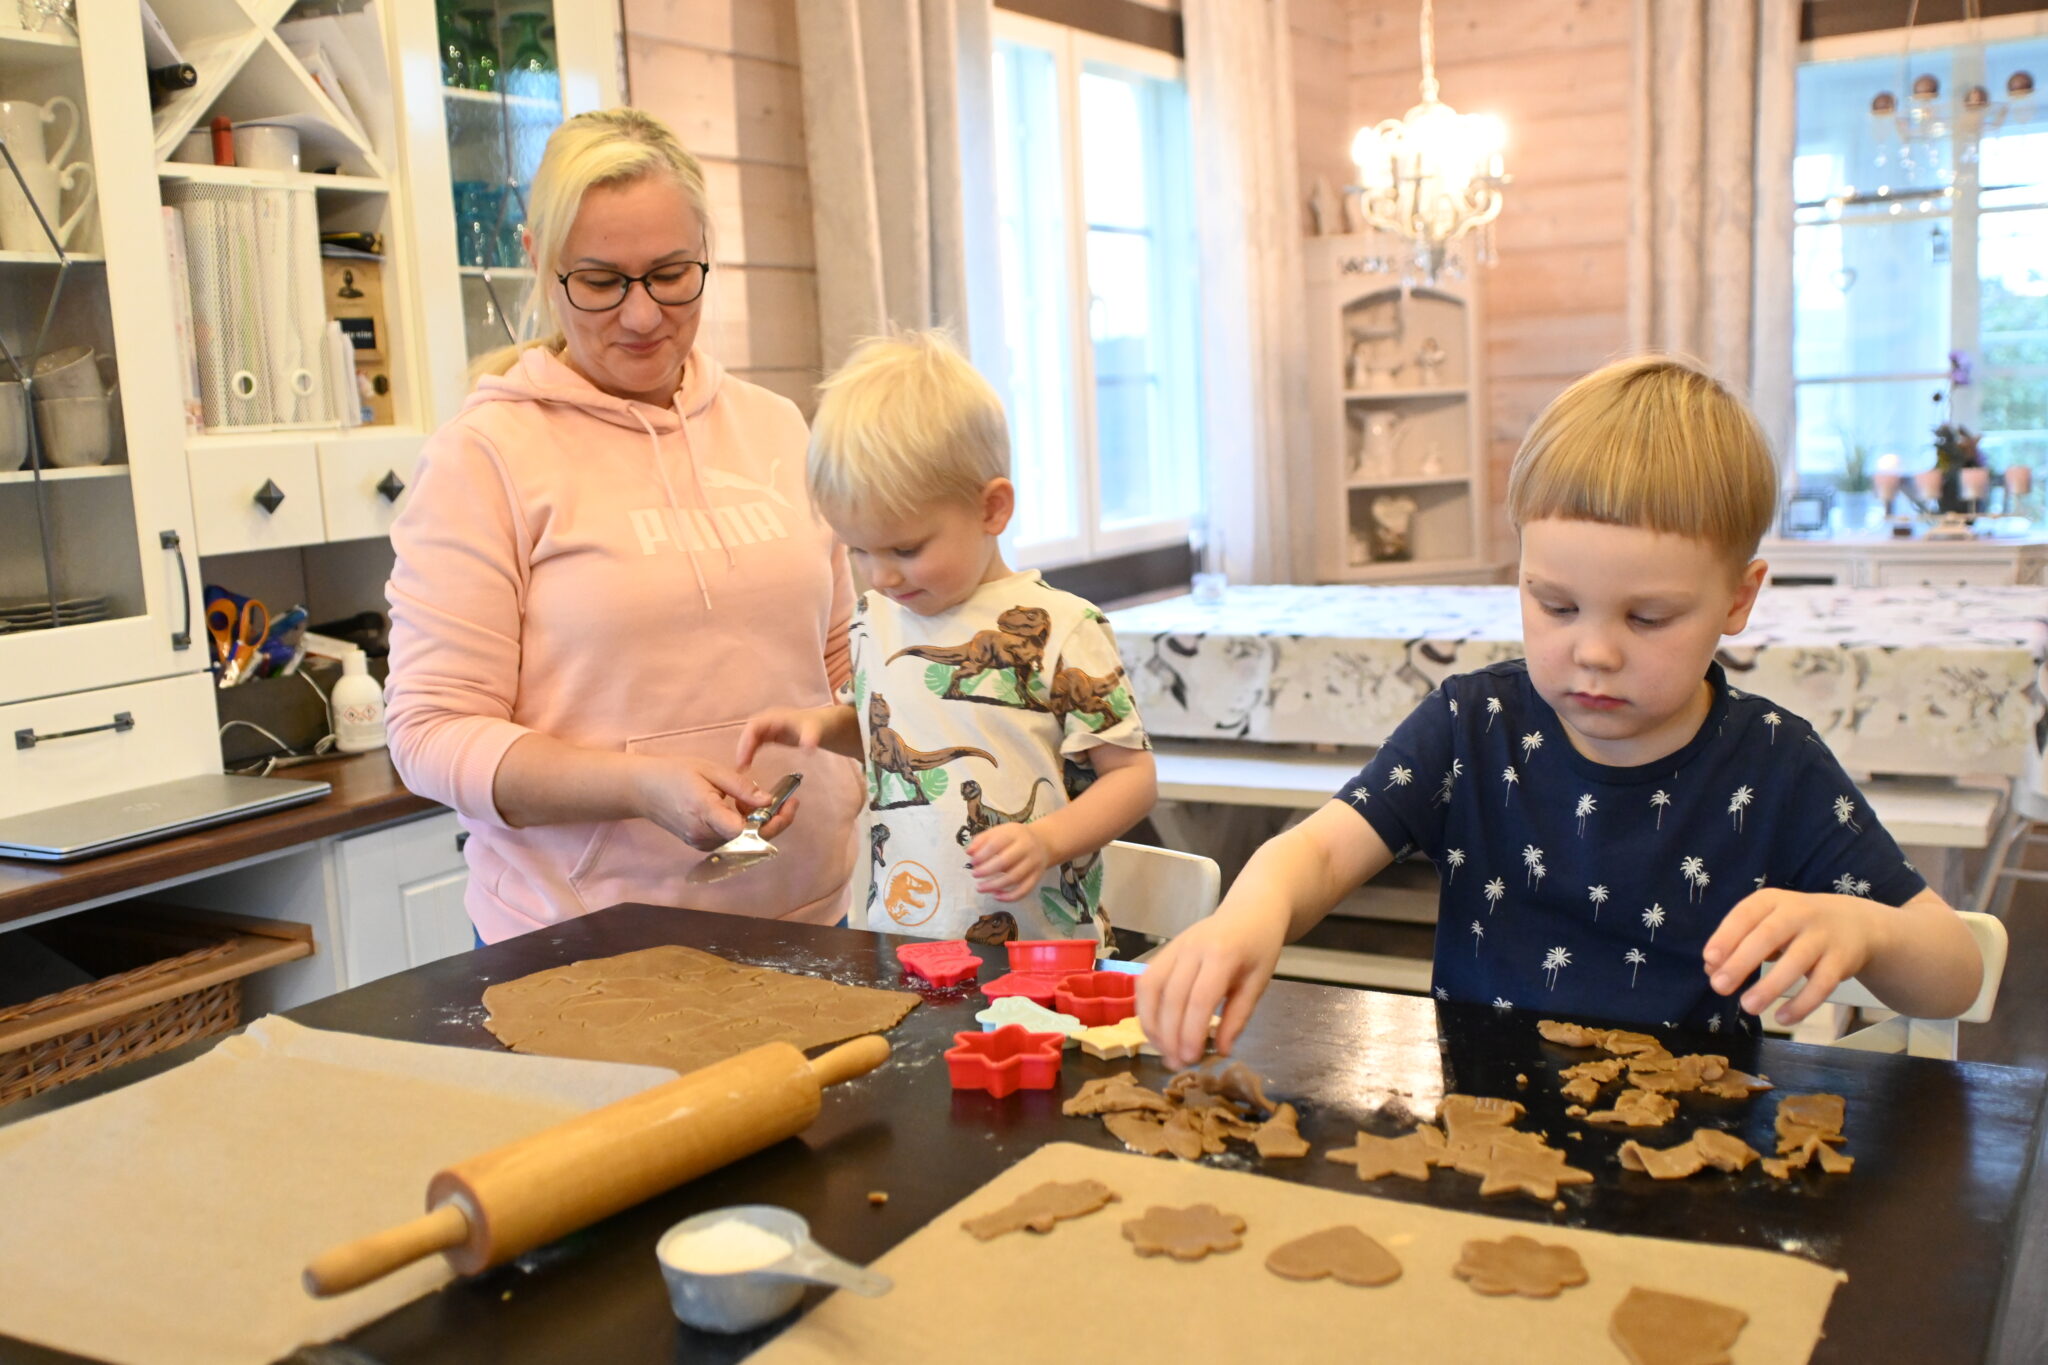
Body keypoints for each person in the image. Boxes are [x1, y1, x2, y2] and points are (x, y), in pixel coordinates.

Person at [1139, 355, 1983, 1068]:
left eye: (1646, 617)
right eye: (1554, 604)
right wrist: (1251, 909)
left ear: (1738, 596)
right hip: (1480, 1141)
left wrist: (1864, 927)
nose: (1595, 651)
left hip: (1693, 1164)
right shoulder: (1474, 726)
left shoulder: (1774, 762)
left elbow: (1954, 973)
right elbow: (1320, 850)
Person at [384, 109, 862, 943]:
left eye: (672, 274)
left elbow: (841, 663)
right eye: (601, 282)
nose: (642, 317)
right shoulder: (484, 457)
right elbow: (430, 733)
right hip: (588, 945)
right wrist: (639, 785)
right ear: (539, 259)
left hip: (818, 915)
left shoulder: (779, 429)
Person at [736, 332, 1157, 944]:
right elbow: (903, 735)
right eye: (859, 550)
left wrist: (1045, 841)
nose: (880, 576)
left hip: (1043, 959)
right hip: (900, 942)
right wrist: (824, 728)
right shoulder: (873, 618)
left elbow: (1132, 779)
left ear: (992, 509)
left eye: (906, 549)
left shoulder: (1066, 630)